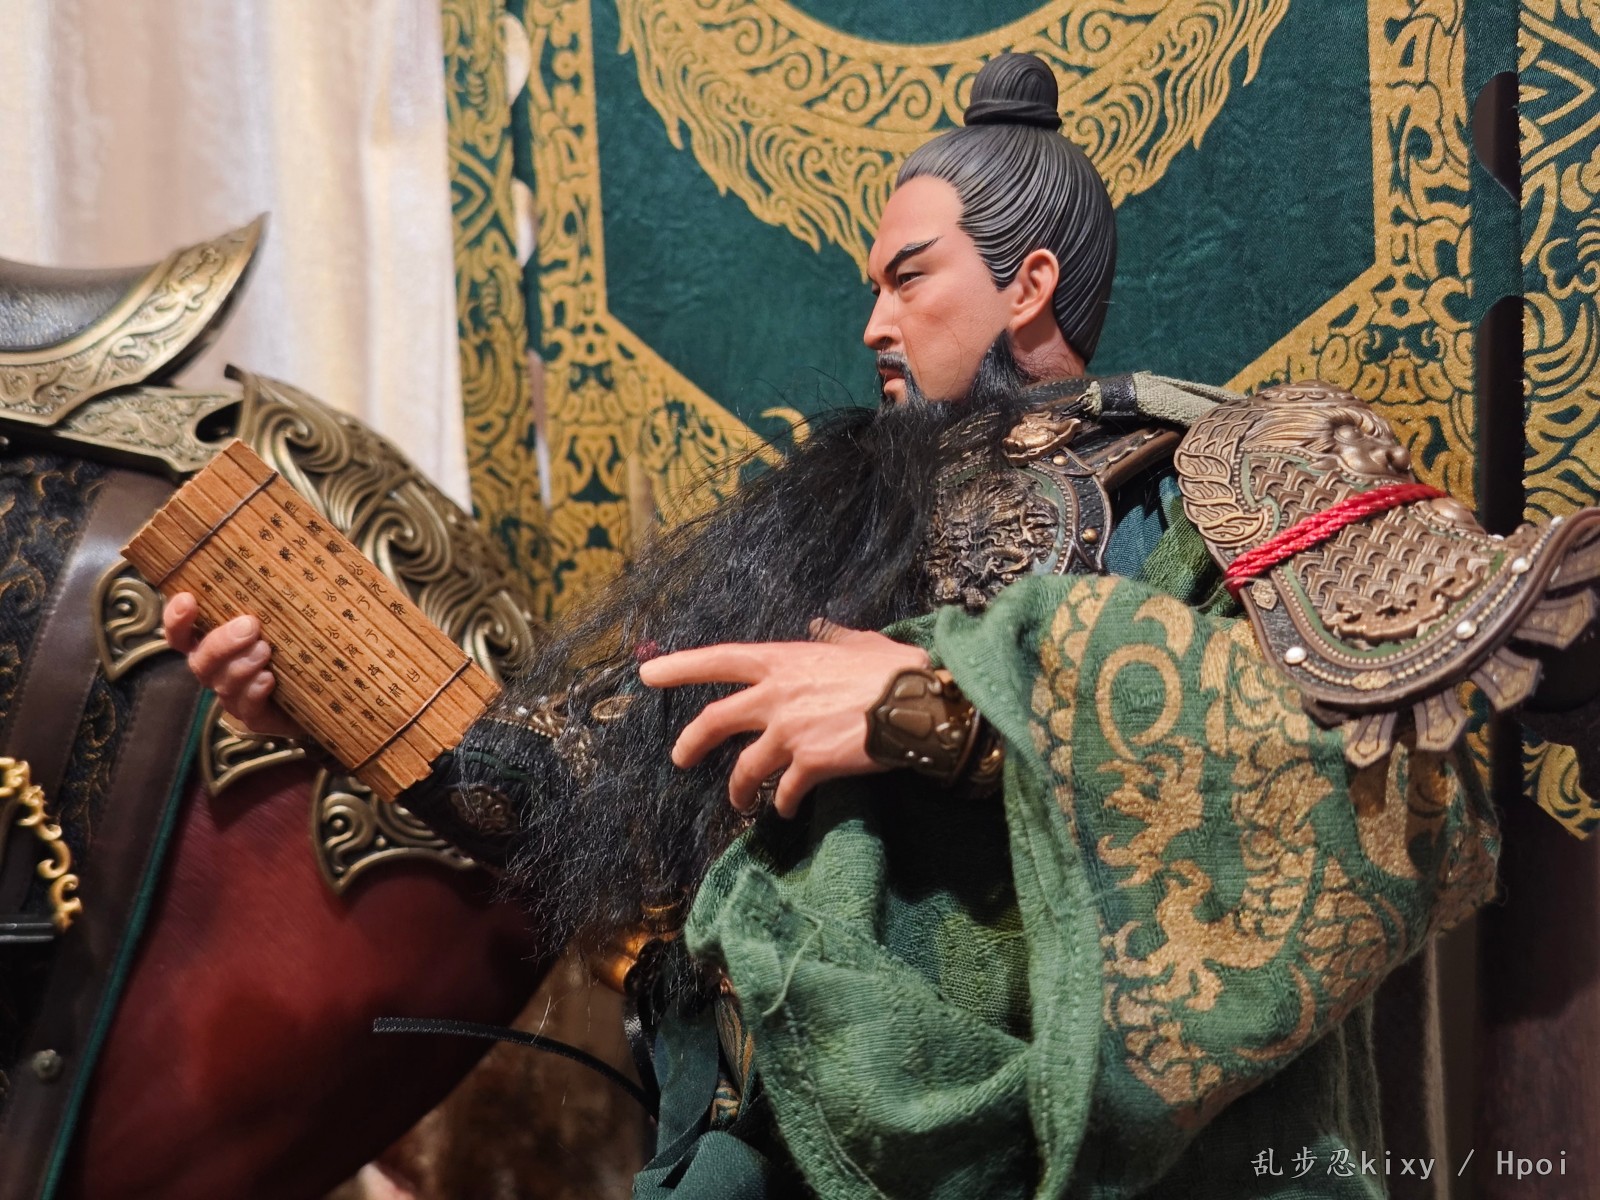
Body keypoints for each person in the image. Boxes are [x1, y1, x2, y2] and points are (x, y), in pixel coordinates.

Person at [166, 53, 1595, 1198]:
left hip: (1078, 1136)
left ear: (1028, 283)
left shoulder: (1226, 472)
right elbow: (573, 794)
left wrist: (946, 709)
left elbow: (1382, 761)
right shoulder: (825, 516)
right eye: (872, 285)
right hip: (775, 1121)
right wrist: (312, 688)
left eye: (908, 276)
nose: (871, 323)